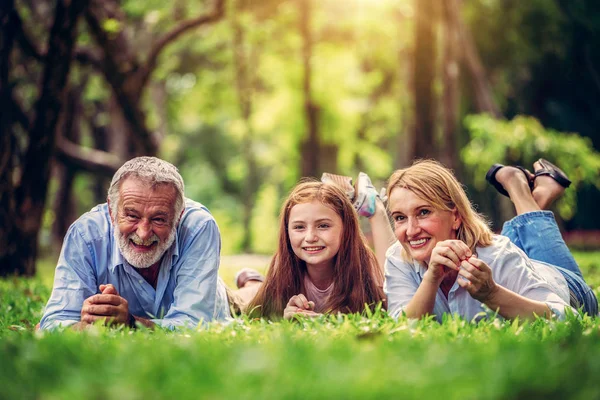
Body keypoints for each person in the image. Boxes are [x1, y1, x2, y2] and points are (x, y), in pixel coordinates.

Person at [384, 159, 598, 322]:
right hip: (516, 264)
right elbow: (401, 327)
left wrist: (492, 293)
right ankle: (538, 194)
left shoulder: (497, 254)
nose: (411, 231)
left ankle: (518, 186)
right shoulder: (398, 258)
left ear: (456, 217)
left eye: (423, 212)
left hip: (566, 286)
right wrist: (431, 279)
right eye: (400, 218)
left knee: (499, 248)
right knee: (503, 244)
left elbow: (568, 317)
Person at [39, 157, 230, 330]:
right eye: (132, 216)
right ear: (112, 213)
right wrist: (89, 324)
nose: (144, 233)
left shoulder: (199, 227)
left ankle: (249, 282)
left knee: (245, 303)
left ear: (178, 217)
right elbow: (54, 323)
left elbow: (195, 326)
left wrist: (130, 323)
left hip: (217, 297)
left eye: (158, 219)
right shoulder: (85, 235)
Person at [244, 180, 387, 319]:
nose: (310, 237)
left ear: (346, 229)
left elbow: (390, 311)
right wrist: (285, 314)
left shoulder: (366, 267)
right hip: (251, 292)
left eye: (323, 226)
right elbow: (254, 316)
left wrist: (322, 320)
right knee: (242, 298)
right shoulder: (282, 267)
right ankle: (251, 280)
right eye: (299, 227)